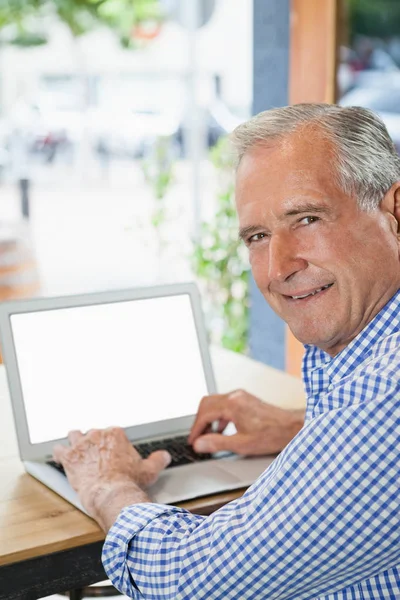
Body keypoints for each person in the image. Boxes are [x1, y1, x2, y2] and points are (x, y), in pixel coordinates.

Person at [53, 104, 400, 599]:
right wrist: (302, 429)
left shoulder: (387, 388)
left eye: (306, 218)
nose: (279, 266)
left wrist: (108, 486)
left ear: (395, 211)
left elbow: (191, 585)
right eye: (258, 236)